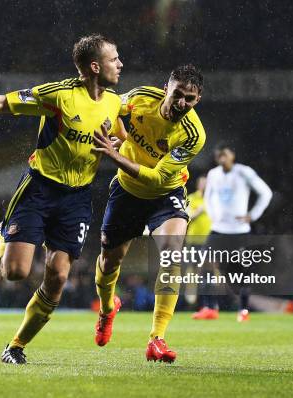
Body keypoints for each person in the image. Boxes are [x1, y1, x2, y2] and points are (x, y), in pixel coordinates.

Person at [0, 34, 123, 364]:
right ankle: (1, 235)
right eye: (114, 59)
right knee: (15, 272)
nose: (120, 64)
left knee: (58, 276)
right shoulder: (59, 96)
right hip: (38, 190)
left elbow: (120, 133)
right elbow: (3, 103)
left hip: (76, 199)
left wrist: (118, 145)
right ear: (94, 66)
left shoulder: (114, 101)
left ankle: (16, 346)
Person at [91, 64, 206, 362]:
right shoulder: (143, 96)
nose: (182, 103)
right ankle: (106, 309)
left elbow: (155, 177)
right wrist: (120, 133)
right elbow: (111, 105)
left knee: (171, 254)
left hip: (165, 194)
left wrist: (114, 153)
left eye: (189, 99)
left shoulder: (193, 135)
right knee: (109, 259)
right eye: (177, 94)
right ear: (166, 88)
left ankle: (157, 338)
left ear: (198, 99)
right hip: (126, 192)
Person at [192, 143, 272, 322]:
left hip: (239, 231)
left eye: (225, 155)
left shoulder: (244, 172)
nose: (222, 159)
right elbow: (208, 197)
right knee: (205, 265)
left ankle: (243, 310)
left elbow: (266, 193)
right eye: (219, 156)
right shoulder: (213, 174)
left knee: (240, 272)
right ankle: (209, 307)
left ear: (232, 156)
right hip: (218, 230)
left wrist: (253, 215)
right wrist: (214, 216)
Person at [184, 176, 212, 308]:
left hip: (210, 239)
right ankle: (191, 297)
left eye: (206, 183)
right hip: (194, 239)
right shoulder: (192, 198)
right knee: (193, 267)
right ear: (198, 184)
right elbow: (187, 217)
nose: (204, 185)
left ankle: (208, 301)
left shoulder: (213, 198)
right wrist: (199, 211)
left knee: (208, 269)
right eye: (202, 183)